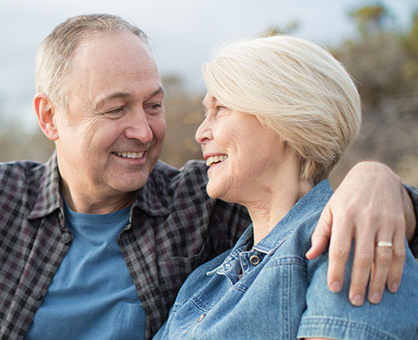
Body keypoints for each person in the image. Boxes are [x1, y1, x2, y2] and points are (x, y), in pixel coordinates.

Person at [0, 15, 418, 340]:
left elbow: (317, 215)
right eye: (115, 109)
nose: (149, 130)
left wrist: (381, 183)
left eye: (154, 104)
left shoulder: (198, 203)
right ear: (50, 117)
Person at [154, 36, 418, 340]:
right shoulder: (204, 281)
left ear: (282, 120)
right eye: (205, 114)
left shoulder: (353, 239)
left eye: (220, 108)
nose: (201, 133)